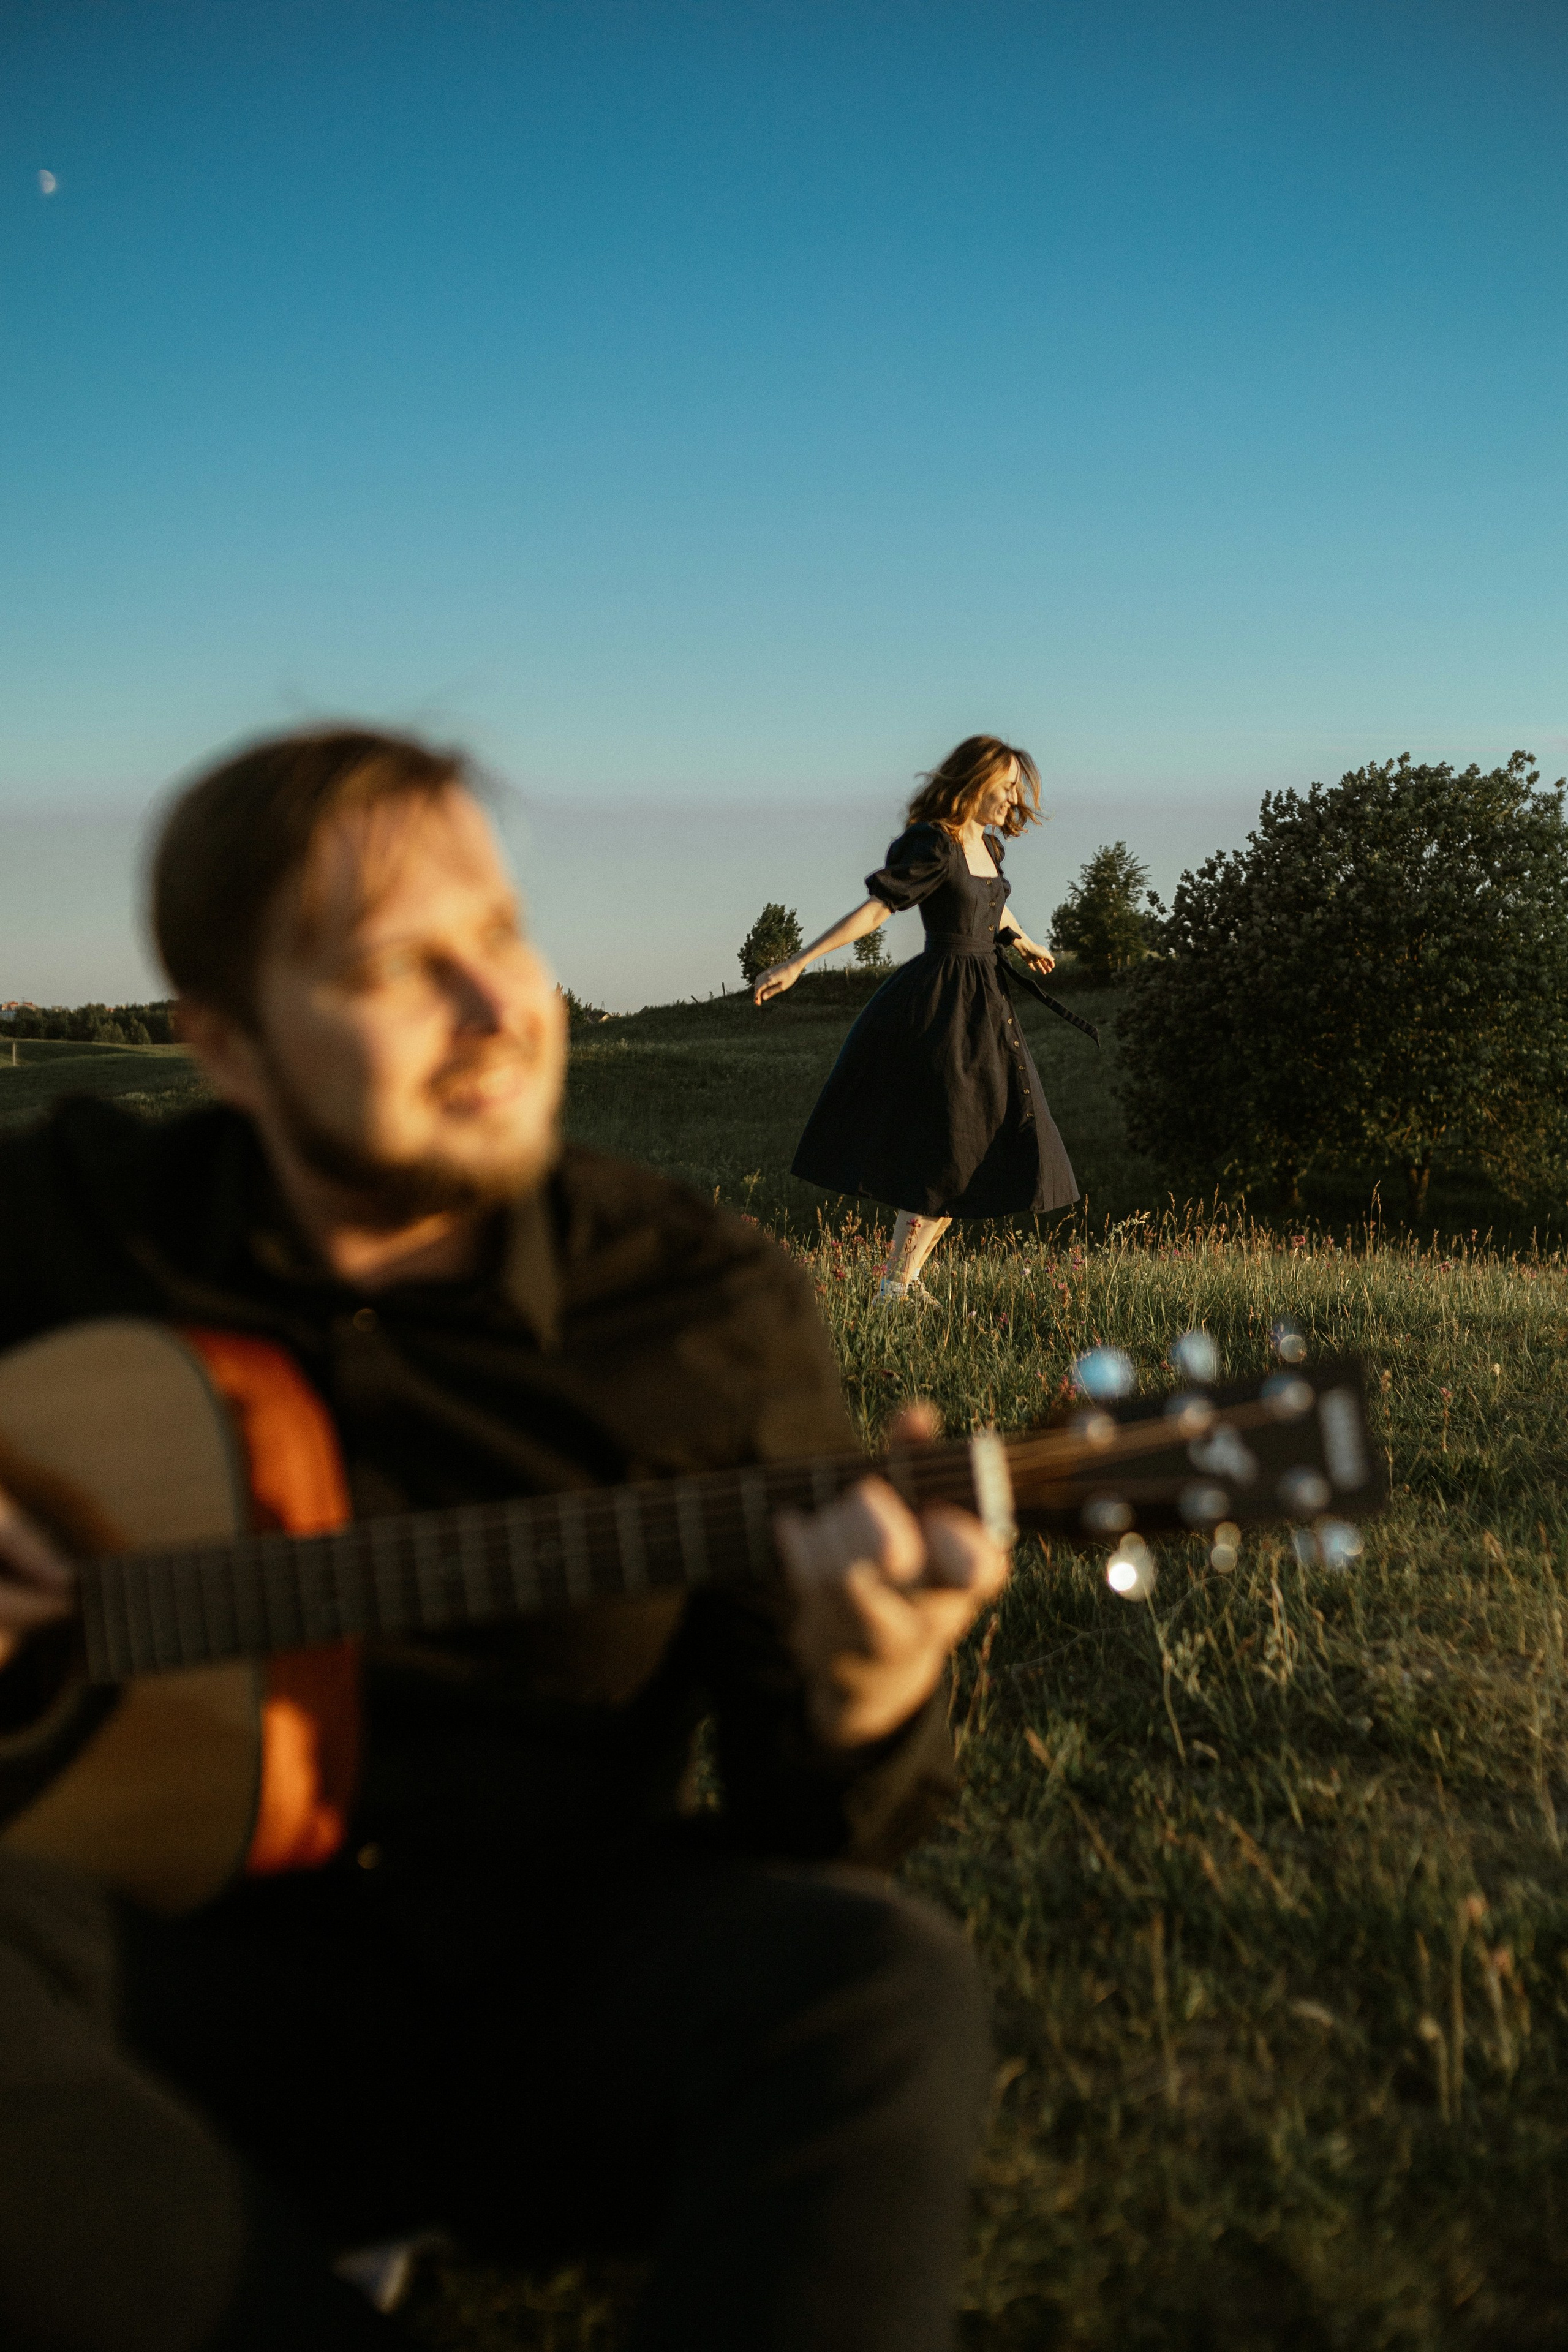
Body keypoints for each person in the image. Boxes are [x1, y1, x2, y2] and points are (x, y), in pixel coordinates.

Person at [0, 728, 1010, 2352]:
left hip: (537, 1991)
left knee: (880, 1986)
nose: (497, 1010)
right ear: (232, 1046)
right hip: (161, 2008)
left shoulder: (701, 1309)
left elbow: (810, 1822)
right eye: (398, 968)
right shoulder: (69, 1224)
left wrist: (867, 1696)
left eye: (496, 934)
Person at [752, 735, 1079, 1300]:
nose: (1011, 799)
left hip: (988, 1006)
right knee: (948, 1148)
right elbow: (879, 909)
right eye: (1005, 787)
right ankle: (894, 1288)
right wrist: (800, 962)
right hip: (943, 1005)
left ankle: (903, 1282)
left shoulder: (988, 848)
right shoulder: (934, 844)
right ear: (975, 781)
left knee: (981, 1147)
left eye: (1015, 790)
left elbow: (991, 904)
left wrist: (1022, 940)